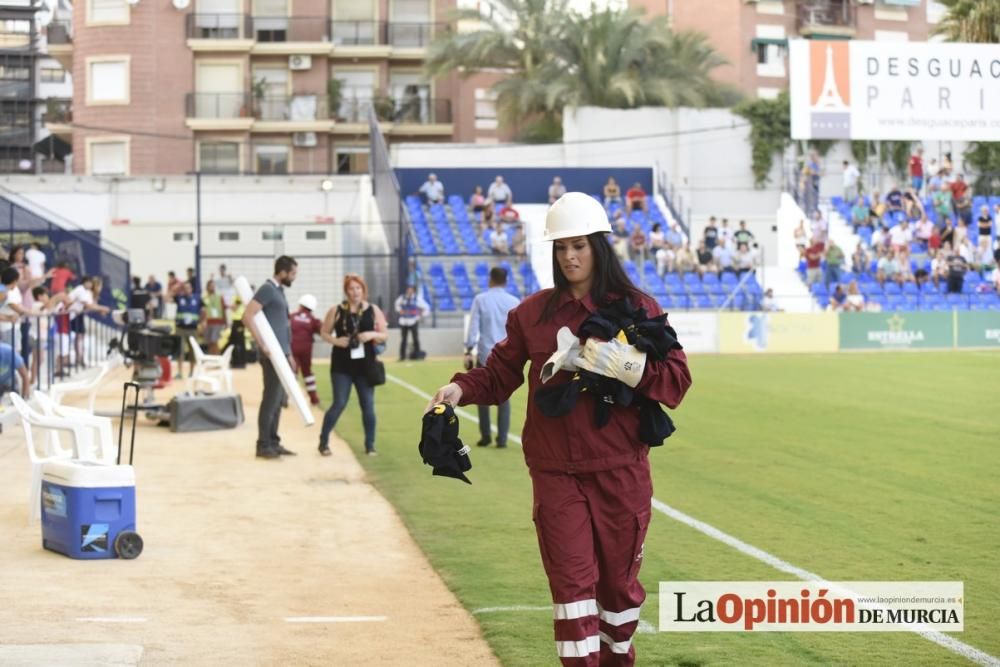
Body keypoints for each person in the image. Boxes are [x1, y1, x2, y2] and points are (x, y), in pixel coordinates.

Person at [428, 192, 692, 667]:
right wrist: (459, 391)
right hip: (556, 472)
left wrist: (629, 367)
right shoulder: (531, 315)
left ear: (599, 247)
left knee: (618, 592)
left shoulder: (639, 308)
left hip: (621, 471)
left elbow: (677, 381)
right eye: (561, 248)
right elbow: (497, 375)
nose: (569, 257)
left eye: (579, 247)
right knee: (571, 590)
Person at [319, 274, 388, 457]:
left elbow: (384, 334)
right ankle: (323, 441)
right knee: (339, 403)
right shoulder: (336, 310)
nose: (355, 292)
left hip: (365, 367)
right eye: (351, 288)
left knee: (368, 406)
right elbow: (324, 333)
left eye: (358, 288)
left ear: (363, 290)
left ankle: (370, 444)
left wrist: (371, 335)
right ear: (346, 291)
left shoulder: (373, 310)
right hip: (342, 366)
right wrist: (336, 340)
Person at [243, 255, 299, 459]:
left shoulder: (279, 291)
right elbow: (247, 316)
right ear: (282, 272)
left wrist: (289, 354)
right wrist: (262, 344)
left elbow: (283, 325)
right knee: (271, 399)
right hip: (272, 355)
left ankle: (273, 441)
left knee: (277, 400)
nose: (294, 277)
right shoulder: (267, 289)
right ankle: (263, 444)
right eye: (292, 273)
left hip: (282, 353)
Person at [463, 267, 520, 448]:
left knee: (482, 394)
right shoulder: (514, 301)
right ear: (506, 280)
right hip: (507, 355)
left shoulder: (481, 299)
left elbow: (474, 327)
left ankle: (485, 435)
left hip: (485, 353)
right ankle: (502, 438)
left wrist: (468, 348)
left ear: (490, 279)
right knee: (504, 397)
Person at [290, 293, 323, 406]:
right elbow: (323, 332)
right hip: (306, 351)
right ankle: (314, 398)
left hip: (292, 350)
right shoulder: (313, 320)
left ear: (300, 305)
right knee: (307, 373)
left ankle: (287, 398)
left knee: (292, 373)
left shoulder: (291, 316)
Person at [173, 281, 203, 378]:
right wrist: (177, 286)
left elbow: (204, 310)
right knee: (179, 351)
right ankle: (180, 373)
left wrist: (202, 322)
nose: (186, 290)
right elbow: (167, 296)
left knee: (192, 352)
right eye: (184, 288)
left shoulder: (197, 298)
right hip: (180, 328)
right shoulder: (179, 298)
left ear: (191, 289)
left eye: (188, 288)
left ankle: (192, 372)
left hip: (192, 329)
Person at [395, 284, 430, 361]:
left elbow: (426, 307)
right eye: (408, 289)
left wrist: (421, 315)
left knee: (415, 339)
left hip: (413, 321)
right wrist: (399, 310)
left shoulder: (417, 299)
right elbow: (397, 305)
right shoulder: (402, 298)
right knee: (403, 339)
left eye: (411, 289)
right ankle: (402, 356)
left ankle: (418, 356)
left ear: (413, 290)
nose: (409, 291)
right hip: (403, 322)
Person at [202, 279, 226, 354]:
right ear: (207, 287)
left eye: (213, 286)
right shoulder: (204, 298)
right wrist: (202, 321)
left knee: (214, 340)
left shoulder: (219, 297)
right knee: (209, 342)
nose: (212, 287)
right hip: (208, 322)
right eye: (211, 286)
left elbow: (223, 309)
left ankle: (217, 357)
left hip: (217, 322)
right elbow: (203, 310)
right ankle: (211, 357)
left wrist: (225, 322)